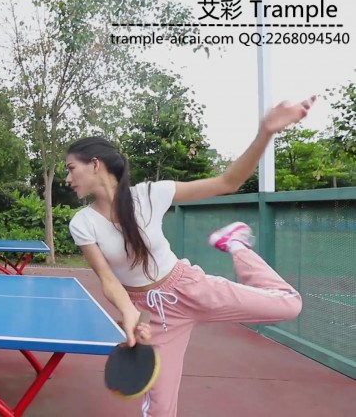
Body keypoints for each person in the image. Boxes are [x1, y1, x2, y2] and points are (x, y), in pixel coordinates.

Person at [65, 96, 313, 417]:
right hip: (155, 314)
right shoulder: (82, 223)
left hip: (188, 286)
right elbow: (108, 279)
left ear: (95, 164)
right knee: (160, 410)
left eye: (71, 169)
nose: (68, 179)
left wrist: (265, 131)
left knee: (290, 305)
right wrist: (130, 315)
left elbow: (228, 182)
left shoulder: (150, 195)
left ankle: (235, 245)